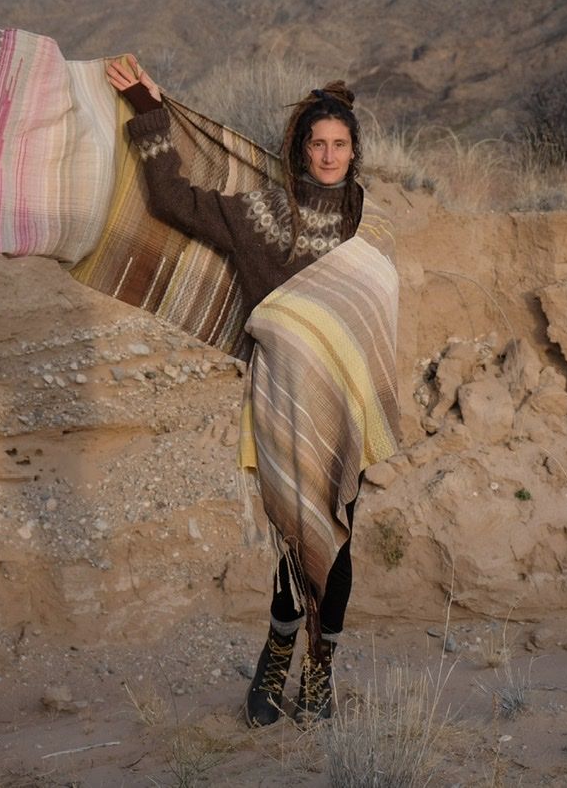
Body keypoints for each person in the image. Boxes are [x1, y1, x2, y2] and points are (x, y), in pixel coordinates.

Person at [106, 55, 370, 725]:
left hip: (344, 405)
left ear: (353, 152)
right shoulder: (260, 213)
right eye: (319, 144)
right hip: (281, 401)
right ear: (299, 150)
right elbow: (173, 201)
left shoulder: (356, 215)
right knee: (292, 539)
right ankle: (276, 656)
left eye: (340, 144)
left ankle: (320, 671)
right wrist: (150, 113)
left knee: (336, 543)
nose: (330, 154)